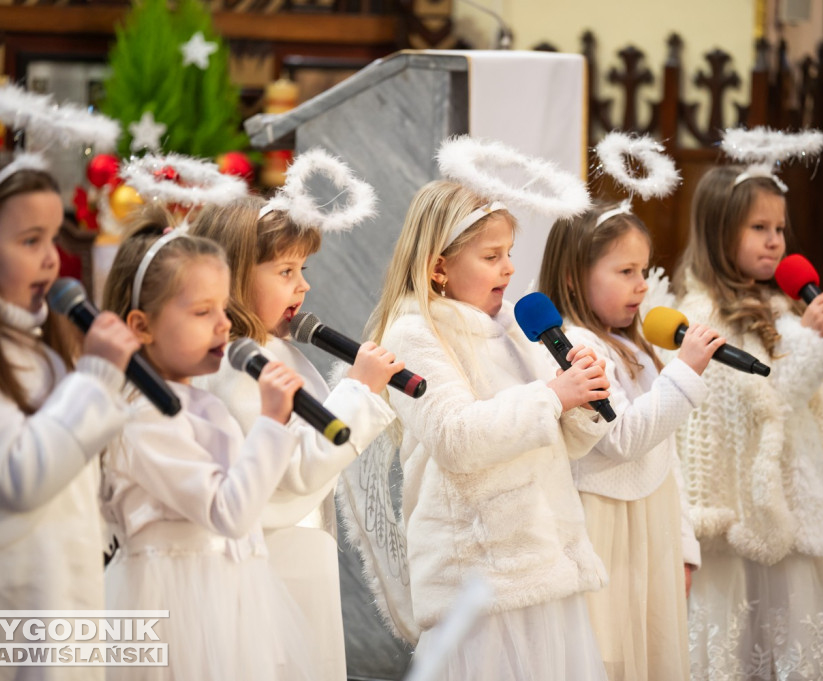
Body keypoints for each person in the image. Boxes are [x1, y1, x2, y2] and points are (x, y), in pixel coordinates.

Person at [365, 179, 612, 681]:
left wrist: (581, 403)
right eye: (491, 256)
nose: (509, 268)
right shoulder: (415, 333)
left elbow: (557, 442)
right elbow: (456, 439)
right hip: (479, 577)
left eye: (510, 253)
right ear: (438, 268)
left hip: (542, 557)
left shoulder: (513, 330)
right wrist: (553, 395)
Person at [673, 165, 823, 680]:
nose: (775, 241)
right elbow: (753, 409)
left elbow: (801, 408)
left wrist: (803, 334)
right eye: (758, 227)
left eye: (780, 228)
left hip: (798, 496)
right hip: (750, 510)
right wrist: (806, 340)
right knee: (746, 641)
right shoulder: (703, 313)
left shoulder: (777, 302)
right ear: (720, 231)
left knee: (797, 640)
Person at [99, 211, 317, 681]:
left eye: (223, 307)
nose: (224, 324)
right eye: (203, 312)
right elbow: (229, 512)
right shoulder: (140, 419)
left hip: (229, 599)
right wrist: (272, 422)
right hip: (169, 606)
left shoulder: (205, 404)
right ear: (141, 326)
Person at [191, 195, 399, 681]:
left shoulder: (271, 348)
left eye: (303, 269)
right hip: (271, 562)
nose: (303, 284)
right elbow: (294, 469)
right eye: (286, 271)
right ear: (230, 278)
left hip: (299, 554)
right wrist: (358, 390)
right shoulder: (238, 364)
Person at [0, 149, 138, 680]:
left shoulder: (42, 347)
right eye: (29, 240)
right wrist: (96, 378)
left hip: (62, 592)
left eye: (53, 238)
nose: (51, 260)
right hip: (0, 599)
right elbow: (18, 475)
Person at [538, 200, 724, 680]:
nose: (642, 284)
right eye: (625, 271)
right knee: (610, 652)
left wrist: (683, 547)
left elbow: (666, 455)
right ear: (574, 277)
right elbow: (620, 437)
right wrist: (685, 371)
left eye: (643, 270)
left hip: (652, 526)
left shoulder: (631, 344)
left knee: (652, 650)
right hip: (606, 529)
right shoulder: (576, 346)